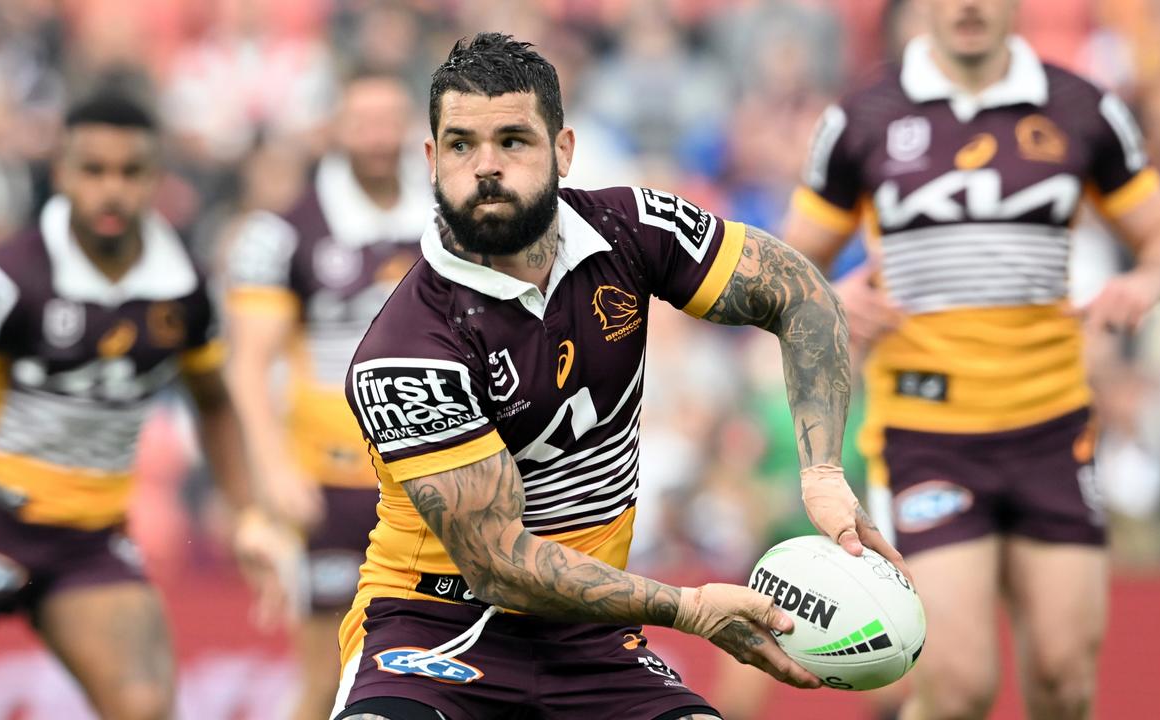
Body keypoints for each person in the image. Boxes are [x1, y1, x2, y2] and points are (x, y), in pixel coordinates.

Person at [330, 33, 910, 720]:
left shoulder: (630, 230)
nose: (486, 167)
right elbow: (500, 564)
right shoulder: (406, 351)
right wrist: (689, 607)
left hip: (594, 641)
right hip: (433, 631)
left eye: (513, 140)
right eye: (461, 145)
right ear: (430, 160)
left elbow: (800, 292)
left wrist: (822, 473)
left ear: (564, 150)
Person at [783, 1, 1160, 718]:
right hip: (927, 436)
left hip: (1054, 427)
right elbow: (786, 269)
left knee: (1065, 683)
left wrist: (1147, 280)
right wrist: (837, 297)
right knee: (959, 686)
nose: (968, 7)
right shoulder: (865, 116)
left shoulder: (1080, 107)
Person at [0, 93, 290, 719]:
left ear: (155, 177)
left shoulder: (185, 289)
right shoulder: (5, 279)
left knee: (144, 709)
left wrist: (247, 513)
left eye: (130, 172)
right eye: (93, 170)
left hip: (88, 540)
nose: (111, 190)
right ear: (61, 173)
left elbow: (215, 404)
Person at [224, 71, 433, 720]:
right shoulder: (283, 234)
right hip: (330, 482)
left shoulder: (445, 220)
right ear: (334, 129)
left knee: (446, 672)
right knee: (330, 678)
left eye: (388, 119)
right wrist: (273, 472)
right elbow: (246, 368)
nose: (376, 136)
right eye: (361, 120)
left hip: (432, 476)